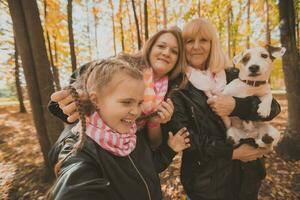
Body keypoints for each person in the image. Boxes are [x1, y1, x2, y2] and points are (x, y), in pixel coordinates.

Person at [162, 18, 281, 200]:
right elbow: (187, 137)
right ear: (182, 46)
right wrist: (232, 153)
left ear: (212, 44)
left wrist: (236, 105)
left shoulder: (233, 73)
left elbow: (273, 108)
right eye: (189, 41)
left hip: (247, 178)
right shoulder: (178, 87)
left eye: (203, 40)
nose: (196, 46)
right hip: (206, 184)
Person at [47, 57, 190, 200]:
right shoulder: (81, 150)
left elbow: (148, 168)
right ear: (96, 100)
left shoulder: (131, 134)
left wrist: (170, 149)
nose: (135, 111)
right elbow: (74, 187)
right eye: (126, 102)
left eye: (140, 103)